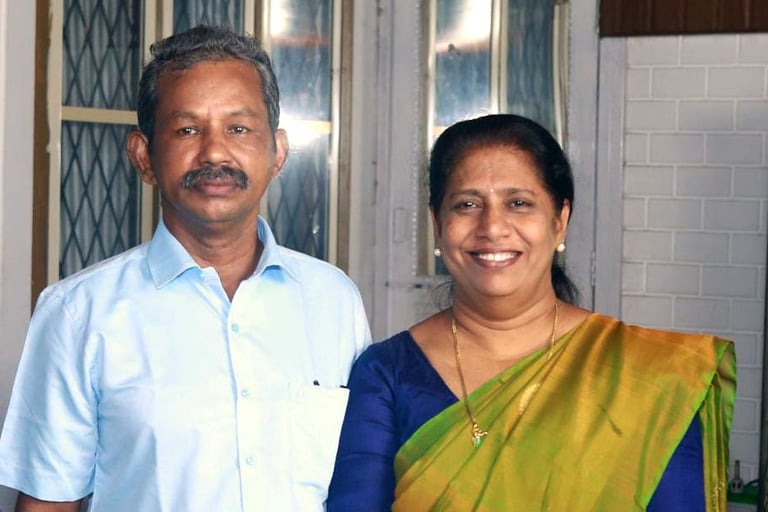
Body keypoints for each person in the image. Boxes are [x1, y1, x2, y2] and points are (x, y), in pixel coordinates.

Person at [0, 25, 370, 512]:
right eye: (187, 130)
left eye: (239, 129)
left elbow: (362, 479)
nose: (214, 152)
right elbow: (47, 504)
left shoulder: (333, 299)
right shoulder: (77, 314)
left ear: (277, 153)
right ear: (144, 156)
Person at [326, 114, 735, 511]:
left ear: (560, 221)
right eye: (467, 204)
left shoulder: (649, 377)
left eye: (519, 203)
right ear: (437, 223)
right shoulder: (387, 372)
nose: (493, 227)